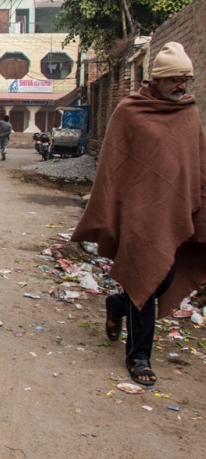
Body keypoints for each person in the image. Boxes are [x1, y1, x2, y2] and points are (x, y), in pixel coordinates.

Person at [71, 42, 206, 386]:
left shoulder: (189, 114)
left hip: (173, 214)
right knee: (144, 277)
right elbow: (112, 167)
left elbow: (198, 165)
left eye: (185, 79)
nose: (181, 85)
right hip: (138, 215)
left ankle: (117, 305)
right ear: (156, 79)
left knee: (165, 278)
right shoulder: (130, 111)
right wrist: (113, 210)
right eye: (174, 79)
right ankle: (139, 356)